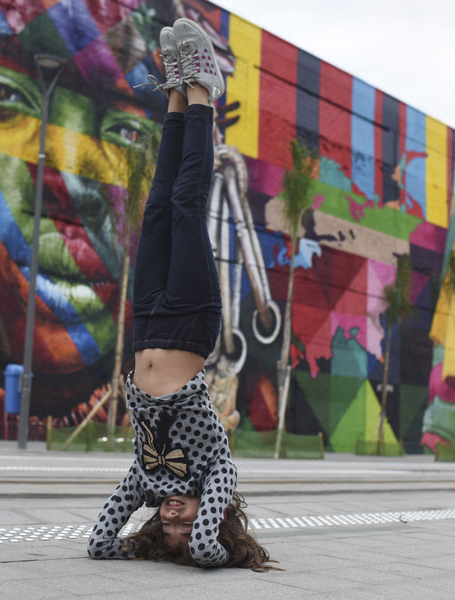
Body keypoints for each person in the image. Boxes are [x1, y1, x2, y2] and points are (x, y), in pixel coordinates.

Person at [86, 19, 274, 572]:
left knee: (158, 209)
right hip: (191, 321)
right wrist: (200, 544)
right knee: (188, 203)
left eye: (166, 525)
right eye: (185, 523)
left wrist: (138, 545)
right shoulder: (216, 471)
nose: (174, 515)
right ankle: (202, 91)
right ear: (209, 517)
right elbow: (210, 550)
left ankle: (175, 92)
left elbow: (98, 543)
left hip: (148, 324)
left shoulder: (144, 480)